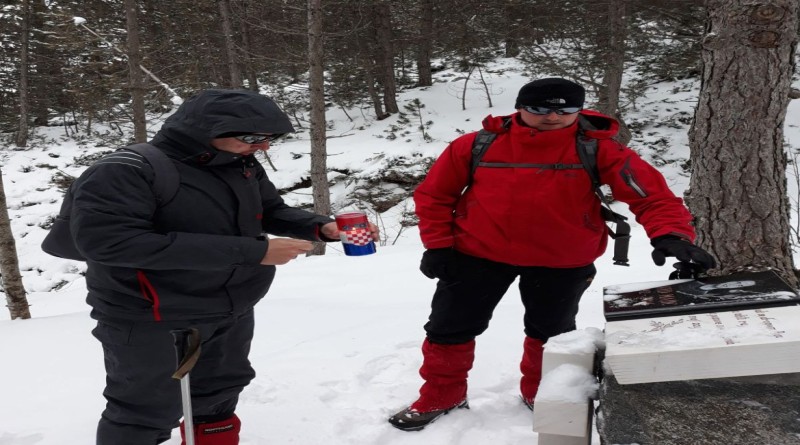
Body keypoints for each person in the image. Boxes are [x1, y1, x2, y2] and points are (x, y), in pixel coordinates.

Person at [387, 77, 716, 431]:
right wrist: (438, 246)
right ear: (520, 107)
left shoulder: (597, 149)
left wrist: (671, 234)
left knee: (551, 333)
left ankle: (542, 393)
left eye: (565, 110)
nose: (552, 117)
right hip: (477, 254)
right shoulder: (476, 145)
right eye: (540, 109)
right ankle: (441, 395)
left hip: (562, 258)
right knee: (448, 328)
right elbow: (435, 196)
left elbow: (651, 196)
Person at [69, 89, 379, 444]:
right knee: (144, 412)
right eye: (251, 138)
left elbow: (272, 210)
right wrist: (252, 253)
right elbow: (110, 243)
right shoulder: (124, 171)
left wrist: (322, 227)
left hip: (230, 306)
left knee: (217, 395)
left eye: (269, 139)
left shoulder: (240, 163)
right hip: (149, 314)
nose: (262, 147)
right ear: (203, 129)